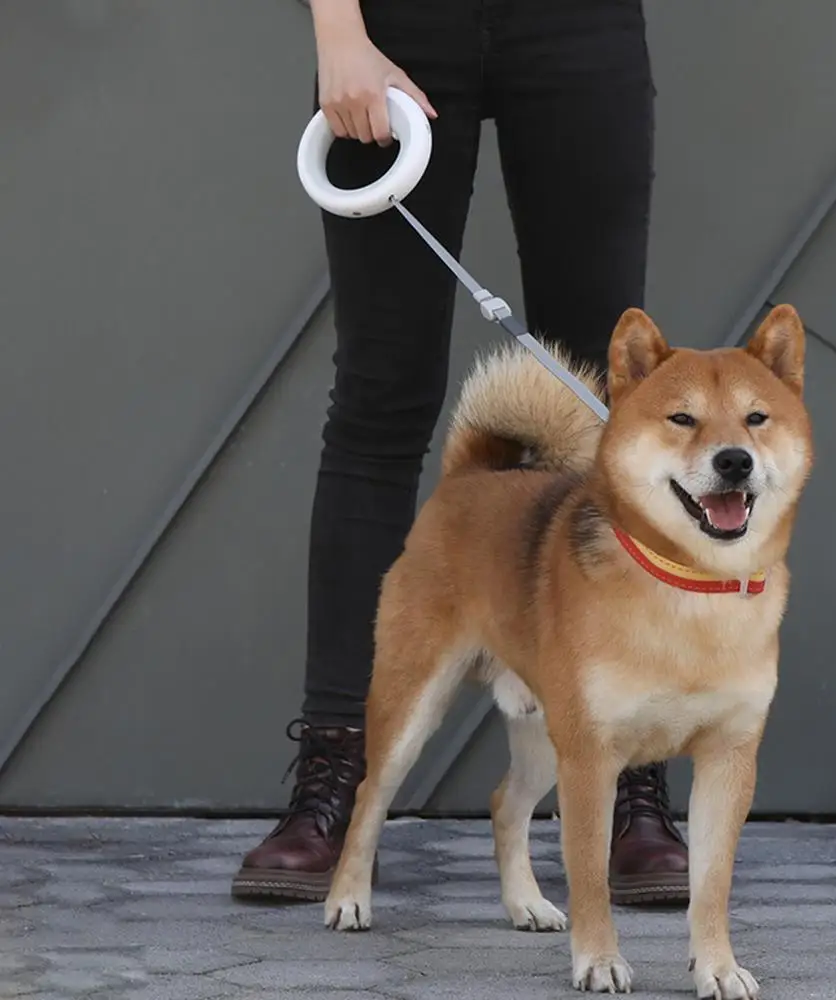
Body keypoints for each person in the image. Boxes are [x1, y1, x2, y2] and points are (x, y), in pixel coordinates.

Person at [231, 0, 689, 906]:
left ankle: (632, 772)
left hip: (578, 28)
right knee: (380, 399)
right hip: (395, 29)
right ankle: (336, 774)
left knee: (601, 403)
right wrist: (339, 35)